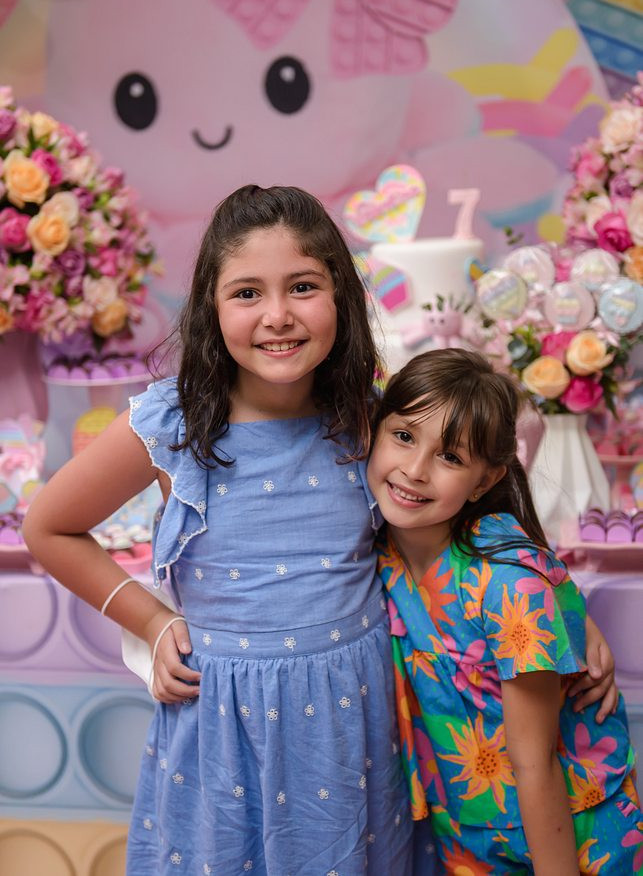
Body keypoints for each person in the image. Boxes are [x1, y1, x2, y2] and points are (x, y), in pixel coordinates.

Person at [23, 185, 615, 876]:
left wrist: (562, 609)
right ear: (212, 306)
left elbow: (455, 515)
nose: (277, 315)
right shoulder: (171, 425)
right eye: (247, 293)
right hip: (225, 726)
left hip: (353, 723)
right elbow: (48, 528)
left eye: (302, 287)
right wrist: (152, 623)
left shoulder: (371, 419)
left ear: (341, 296)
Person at [367, 347, 643, 874]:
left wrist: (568, 609)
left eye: (451, 458)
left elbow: (535, 764)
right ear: (373, 430)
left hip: (573, 835)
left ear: (486, 480)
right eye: (403, 436)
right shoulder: (380, 547)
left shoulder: (509, 585)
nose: (414, 470)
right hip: (467, 834)